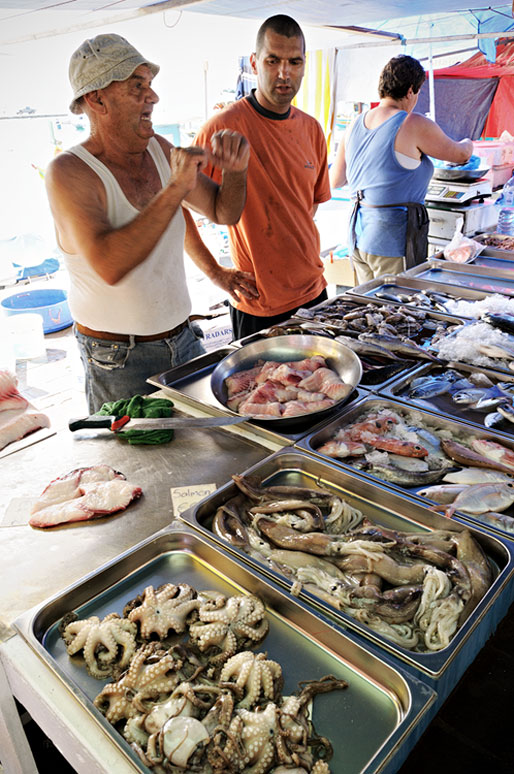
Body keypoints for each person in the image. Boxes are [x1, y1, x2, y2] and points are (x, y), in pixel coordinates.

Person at [45, 33, 256, 412]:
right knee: (135, 468)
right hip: (118, 359)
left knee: (205, 455)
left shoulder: (159, 149)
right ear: (97, 99)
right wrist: (175, 188)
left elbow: (224, 212)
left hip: (184, 340)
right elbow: (111, 265)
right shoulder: (69, 172)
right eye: (136, 86)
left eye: (150, 85)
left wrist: (237, 171)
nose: (153, 97)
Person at [194, 14, 332, 340]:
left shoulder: (311, 128)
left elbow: (307, 206)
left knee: (324, 386)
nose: (284, 73)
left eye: (294, 62)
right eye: (273, 61)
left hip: (314, 292)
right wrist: (215, 273)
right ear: (255, 63)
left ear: (304, 64)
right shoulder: (222, 127)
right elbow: (176, 203)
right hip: (257, 302)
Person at [329, 54, 474, 284]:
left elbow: (335, 181)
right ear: (410, 91)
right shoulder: (411, 123)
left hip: (357, 237)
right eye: (417, 92)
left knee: (368, 311)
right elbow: (461, 154)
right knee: (396, 310)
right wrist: (469, 141)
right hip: (391, 241)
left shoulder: (355, 124)